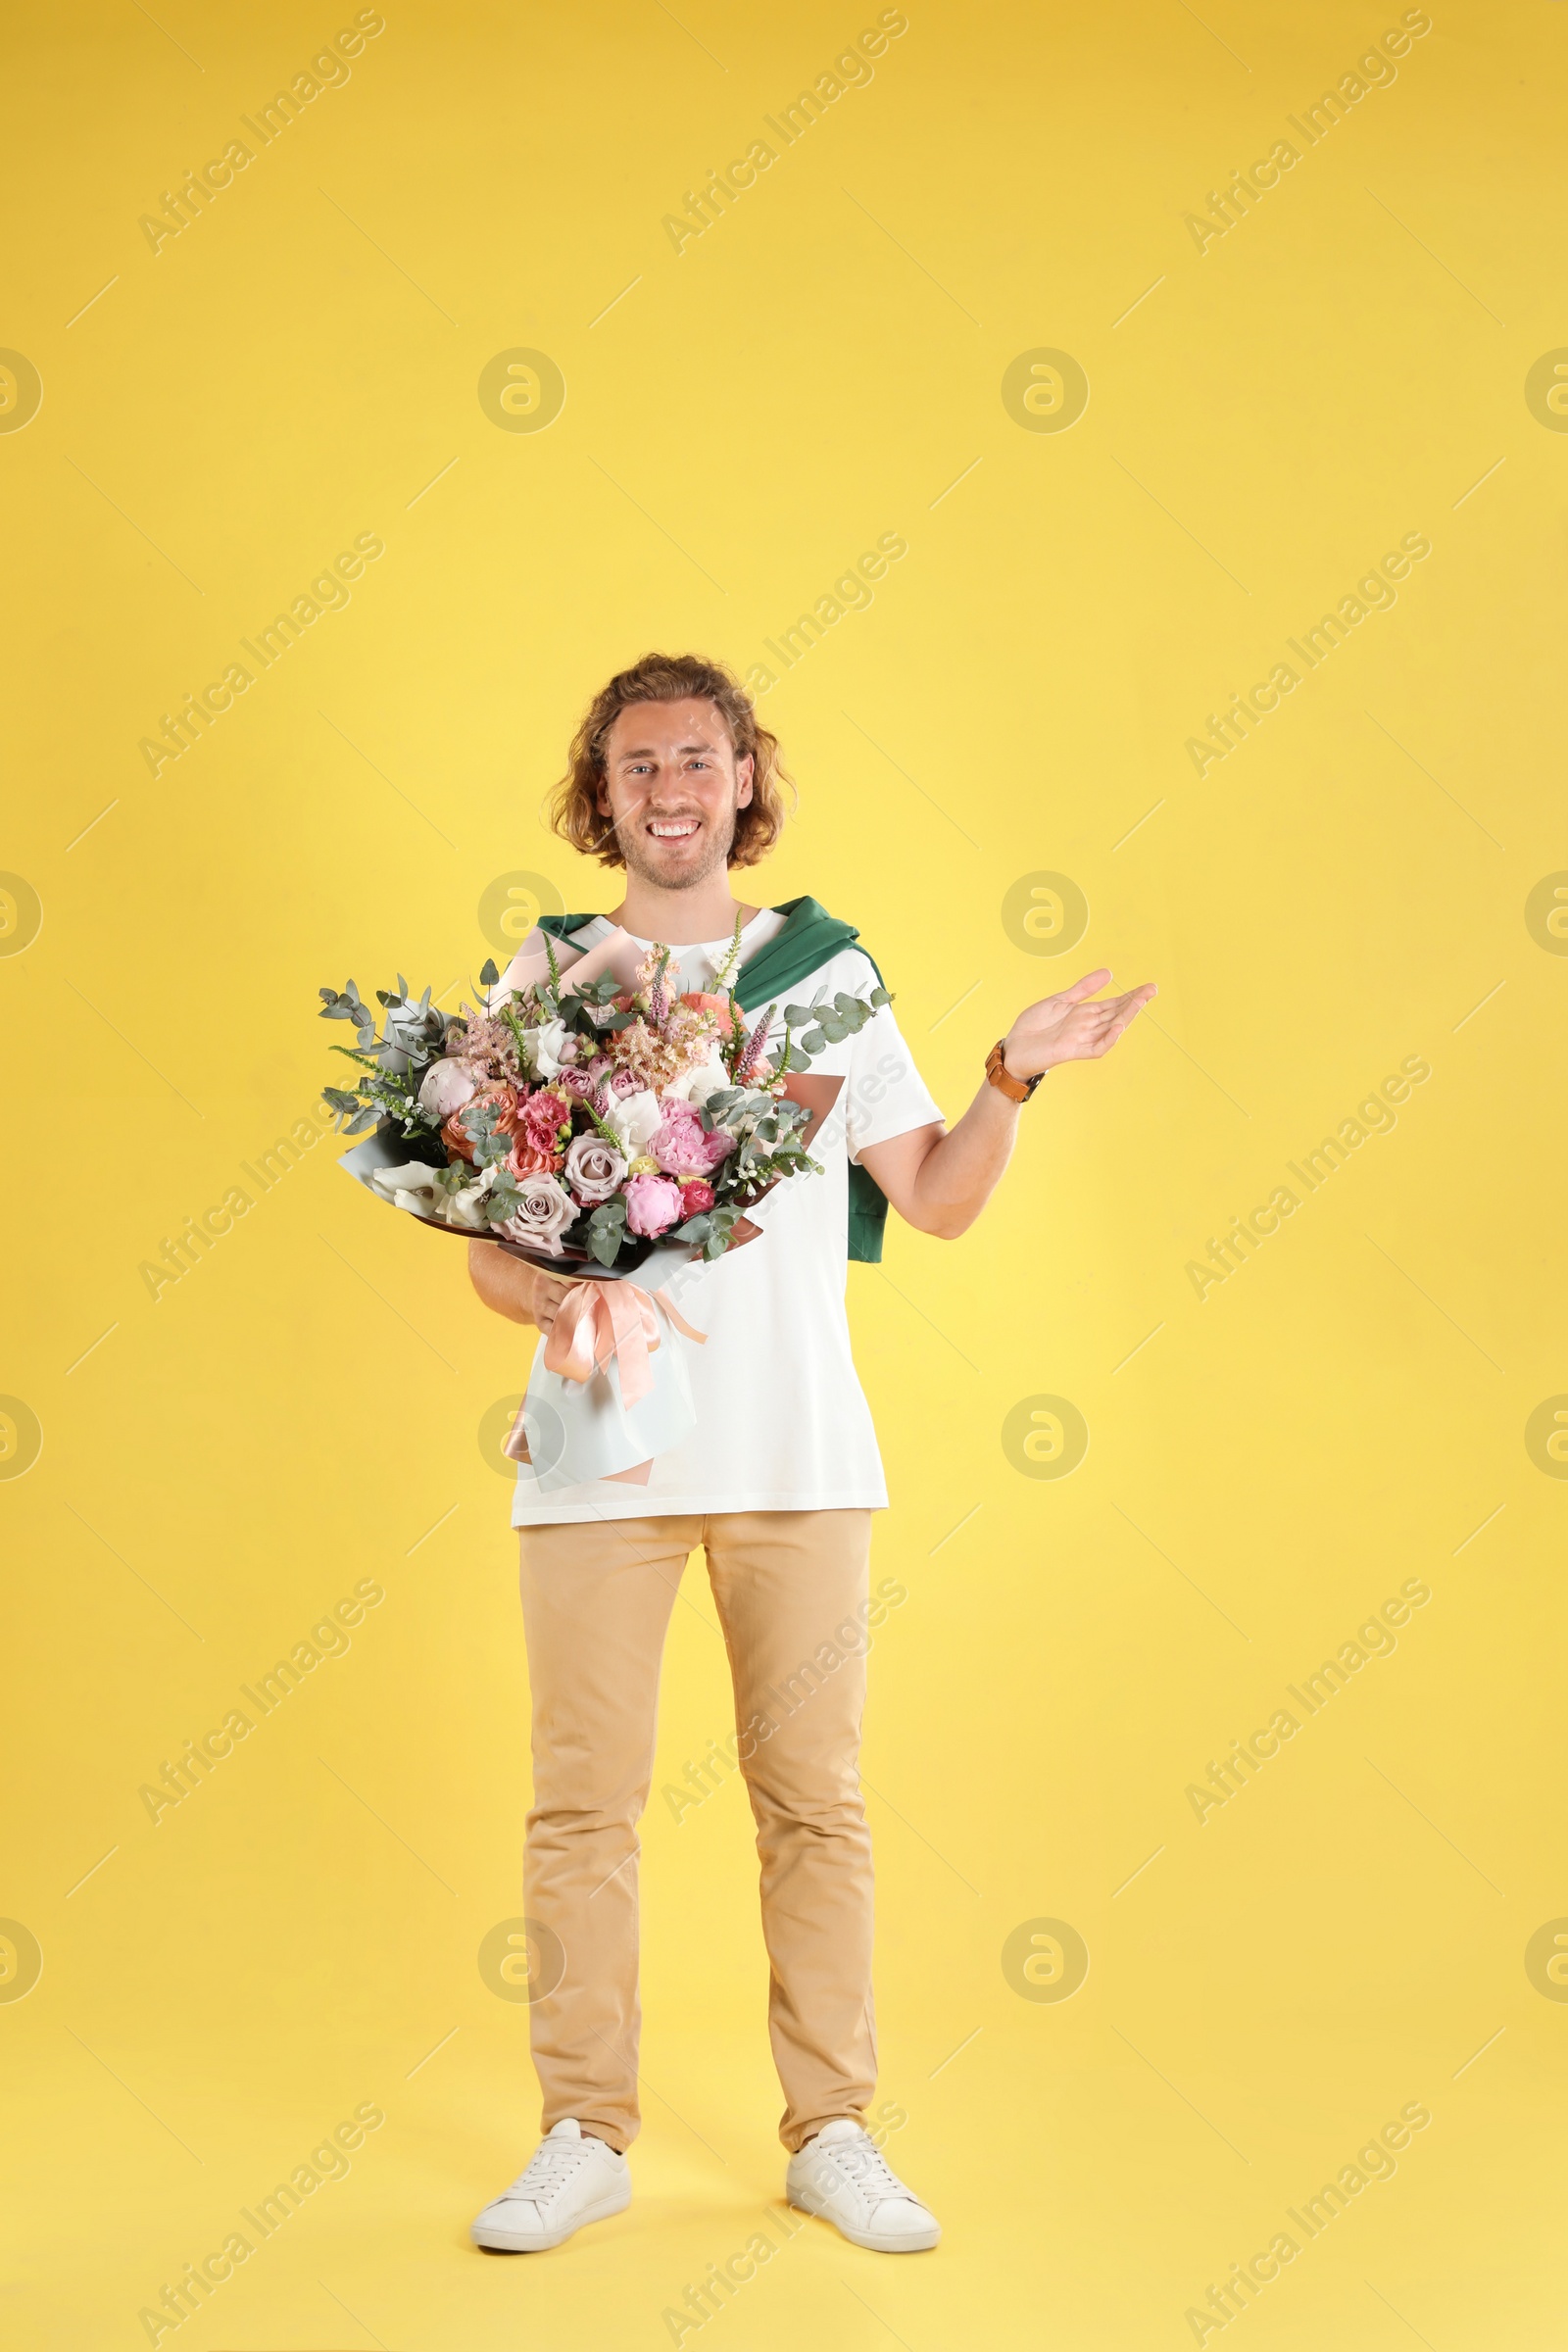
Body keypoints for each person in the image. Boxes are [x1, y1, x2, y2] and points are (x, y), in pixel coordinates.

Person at [466, 653, 1153, 2256]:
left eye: (698, 761)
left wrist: (1011, 1074)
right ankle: (584, 2130)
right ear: (603, 793)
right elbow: (484, 1255)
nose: (671, 792)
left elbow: (939, 1196)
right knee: (580, 1809)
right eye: (639, 768)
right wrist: (567, 1287)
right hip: (599, 1456)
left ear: (744, 780)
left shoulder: (826, 978)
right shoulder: (551, 980)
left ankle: (832, 2129)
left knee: (816, 1805)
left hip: (797, 1455)